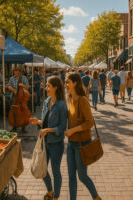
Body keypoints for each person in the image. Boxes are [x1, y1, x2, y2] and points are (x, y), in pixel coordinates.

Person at [64, 72, 101, 200]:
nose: (66, 84)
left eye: (68, 82)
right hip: (70, 144)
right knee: (71, 177)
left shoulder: (83, 100)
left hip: (82, 144)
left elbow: (89, 122)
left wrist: (73, 130)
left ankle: (96, 197)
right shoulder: (69, 99)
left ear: (75, 83)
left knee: (82, 176)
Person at [29, 76, 67, 200]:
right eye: (46, 86)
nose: (46, 88)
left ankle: (56, 196)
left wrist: (49, 130)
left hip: (56, 144)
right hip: (44, 142)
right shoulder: (46, 102)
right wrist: (38, 122)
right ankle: (50, 191)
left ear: (55, 88)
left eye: (48, 86)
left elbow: (62, 127)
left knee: (56, 171)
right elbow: (45, 122)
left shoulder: (61, 105)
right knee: (42, 169)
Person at [6, 66, 30, 132]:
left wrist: (22, 85)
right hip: (14, 96)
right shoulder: (11, 78)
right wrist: (14, 90)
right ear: (13, 72)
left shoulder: (24, 78)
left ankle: (23, 126)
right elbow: (8, 86)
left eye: (17, 71)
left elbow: (27, 87)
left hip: (22, 97)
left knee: (23, 112)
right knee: (13, 110)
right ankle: (14, 126)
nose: (16, 72)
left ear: (19, 72)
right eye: (15, 71)